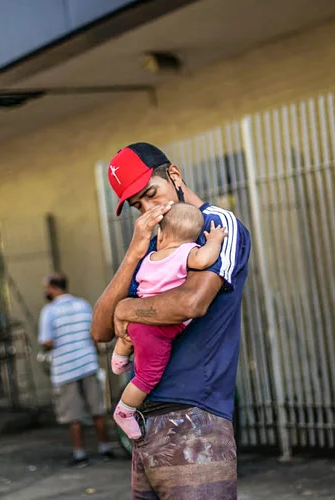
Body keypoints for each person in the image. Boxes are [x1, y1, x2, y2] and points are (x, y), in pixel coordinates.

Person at [91, 143, 250, 499]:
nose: (152, 210)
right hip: (145, 421)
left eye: (151, 194)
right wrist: (133, 252)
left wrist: (128, 309)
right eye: (138, 206)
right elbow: (100, 330)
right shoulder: (152, 244)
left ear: (174, 175)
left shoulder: (216, 225)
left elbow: (191, 303)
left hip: (196, 417)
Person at [111, 202, 227, 438]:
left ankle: (119, 355)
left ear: (161, 235)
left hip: (138, 317)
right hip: (159, 328)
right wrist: (214, 240)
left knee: (130, 334)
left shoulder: (150, 257)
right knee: (148, 375)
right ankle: (125, 410)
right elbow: (205, 260)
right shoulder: (186, 253)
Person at [38, 273, 115, 467]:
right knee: (97, 409)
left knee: (73, 415)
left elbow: (46, 342)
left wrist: (51, 345)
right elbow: (93, 333)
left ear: (51, 288)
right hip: (87, 363)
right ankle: (105, 448)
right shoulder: (83, 305)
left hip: (65, 369)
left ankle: (80, 454)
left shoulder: (49, 311)